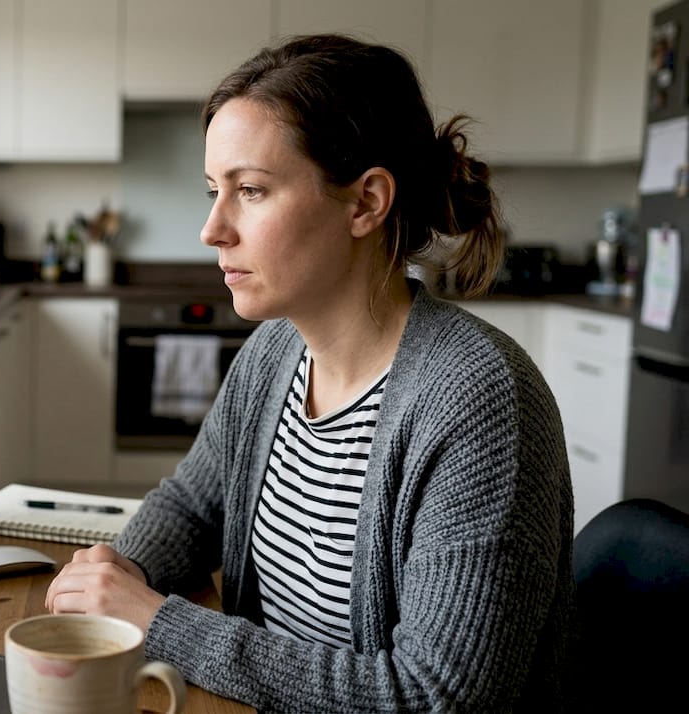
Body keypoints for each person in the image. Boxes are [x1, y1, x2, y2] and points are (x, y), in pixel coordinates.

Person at [44, 34, 573, 711]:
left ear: (364, 203)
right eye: (214, 190)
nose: (211, 229)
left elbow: (433, 697)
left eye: (251, 191)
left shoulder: (477, 398)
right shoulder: (274, 352)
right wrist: (119, 573)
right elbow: (192, 505)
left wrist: (159, 624)